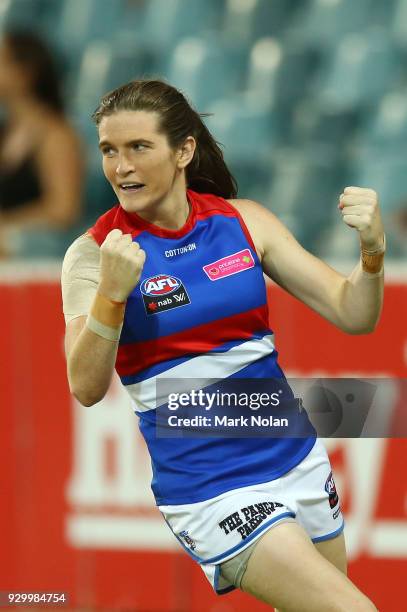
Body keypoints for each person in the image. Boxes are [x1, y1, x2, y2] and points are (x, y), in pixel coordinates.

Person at [61, 79, 384, 611]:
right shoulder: (96, 254)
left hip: (298, 459)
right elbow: (86, 386)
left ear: (183, 150)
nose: (121, 167)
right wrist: (111, 299)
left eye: (139, 147)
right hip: (212, 487)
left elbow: (353, 313)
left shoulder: (243, 220)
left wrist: (372, 254)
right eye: (109, 151)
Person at [0, 30, 83, 258]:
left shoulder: (57, 135)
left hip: (34, 249)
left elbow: (63, 210)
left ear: (25, 73)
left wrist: (7, 225)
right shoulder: (6, 131)